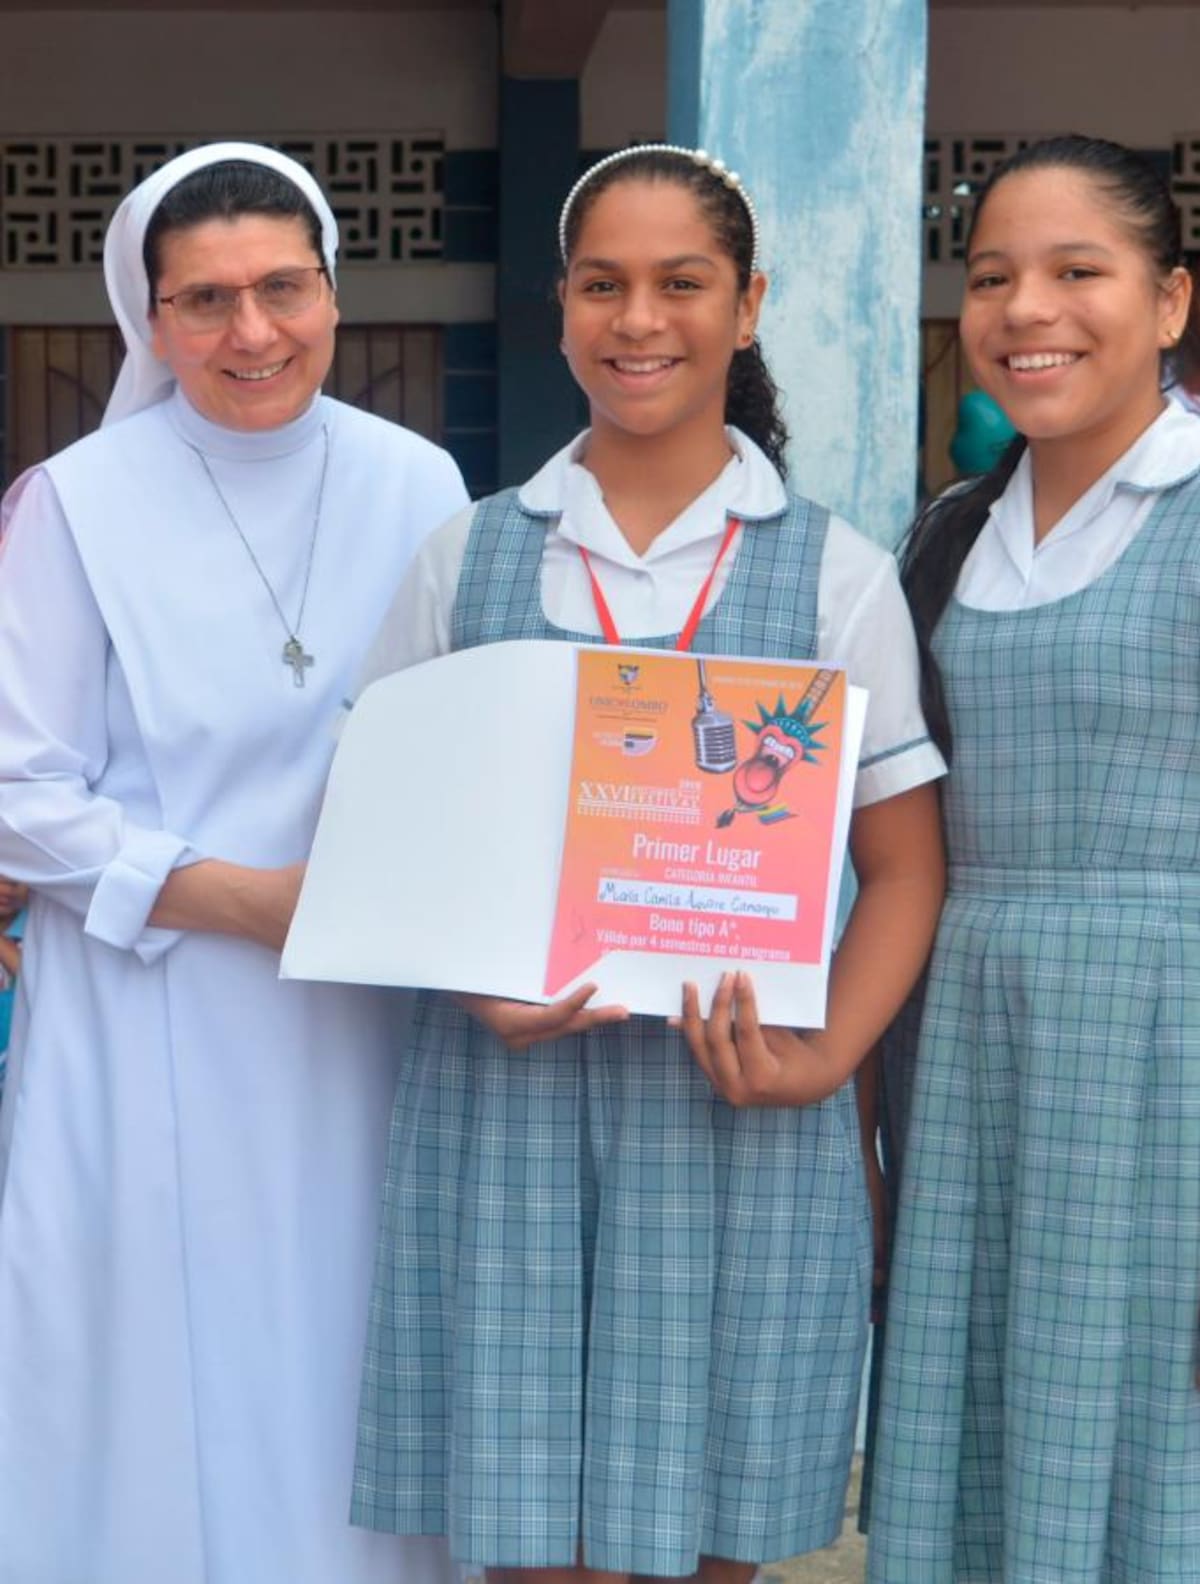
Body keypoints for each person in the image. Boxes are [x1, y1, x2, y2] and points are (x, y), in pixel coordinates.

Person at [350, 144, 946, 1582]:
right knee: (531, 1544)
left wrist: (816, 1063)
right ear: (560, 309)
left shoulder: (836, 574)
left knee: (712, 1540)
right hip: (512, 1108)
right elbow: (384, 836)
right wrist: (469, 976)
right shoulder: (468, 559)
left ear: (747, 307)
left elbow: (908, 868)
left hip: (734, 1114)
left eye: (683, 284)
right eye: (604, 285)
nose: (640, 320)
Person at [0, 143, 468, 1584]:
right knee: (153, 1358)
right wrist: (243, 901)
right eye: (203, 300)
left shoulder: (421, 478)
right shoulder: (77, 501)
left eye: (281, 287)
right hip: (146, 1004)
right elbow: (21, 791)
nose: (249, 332)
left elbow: (455, 737)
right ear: (150, 319)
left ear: (333, 289)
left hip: (360, 1017)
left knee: (340, 1335)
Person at [867, 135, 1200, 1583]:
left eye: (1081, 271)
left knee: (1148, 1411)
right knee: (979, 1406)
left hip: (1166, 1048)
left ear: (1173, 301)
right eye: (994, 276)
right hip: (965, 1039)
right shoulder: (945, 536)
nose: (1025, 310)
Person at [0, 877, 28, 1103]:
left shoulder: (40, 930)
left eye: (16, 880)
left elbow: (36, 978)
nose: (6, 889)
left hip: (19, 1082)